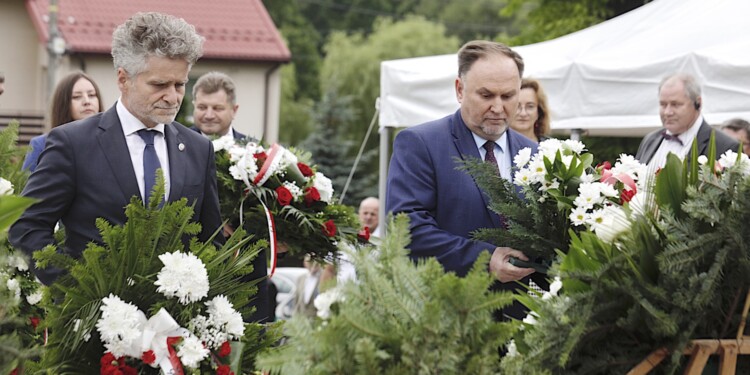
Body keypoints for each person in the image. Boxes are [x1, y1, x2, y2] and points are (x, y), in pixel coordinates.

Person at [9, 12, 222, 287]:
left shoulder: (198, 149)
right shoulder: (72, 143)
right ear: (123, 79)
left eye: (180, 85)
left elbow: (211, 241)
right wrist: (77, 289)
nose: (172, 97)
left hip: (175, 323)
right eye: (159, 85)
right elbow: (27, 226)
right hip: (94, 323)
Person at [386, 40, 544, 320]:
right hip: (448, 322)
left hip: (524, 324)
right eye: (486, 95)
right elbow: (407, 229)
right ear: (460, 89)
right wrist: (484, 259)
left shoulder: (537, 155)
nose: (498, 107)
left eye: (508, 96)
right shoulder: (421, 144)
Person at [192, 71, 271, 323]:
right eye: (202, 106)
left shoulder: (256, 153)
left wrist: (240, 226)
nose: (208, 114)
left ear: (234, 109)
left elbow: (269, 211)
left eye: (217, 107)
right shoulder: (177, 145)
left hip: (246, 272)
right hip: (194, 267)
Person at [635, 73, 738, 168]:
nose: (667, 112)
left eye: (675, 104)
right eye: (663, 104)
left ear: (698, 103)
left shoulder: (725, 147)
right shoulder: (650, 140)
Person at [23, 72, 104, 172]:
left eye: (91, 95)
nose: (87, 101)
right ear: (63, 104)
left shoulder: (111, 141)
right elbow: (26, 185)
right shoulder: (41, 144)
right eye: (77, 97)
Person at [191, 71, 246, 139]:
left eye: (217, 108)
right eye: (202, 108)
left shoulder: (254, 148)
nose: (209, 116)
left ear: (234, 111)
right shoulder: (177, 146)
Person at [512, 78, 551, 143]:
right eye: (517, 106)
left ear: (539, 111)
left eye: (530, 106)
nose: (523, 113)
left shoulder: (552, 148)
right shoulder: (493, 149)